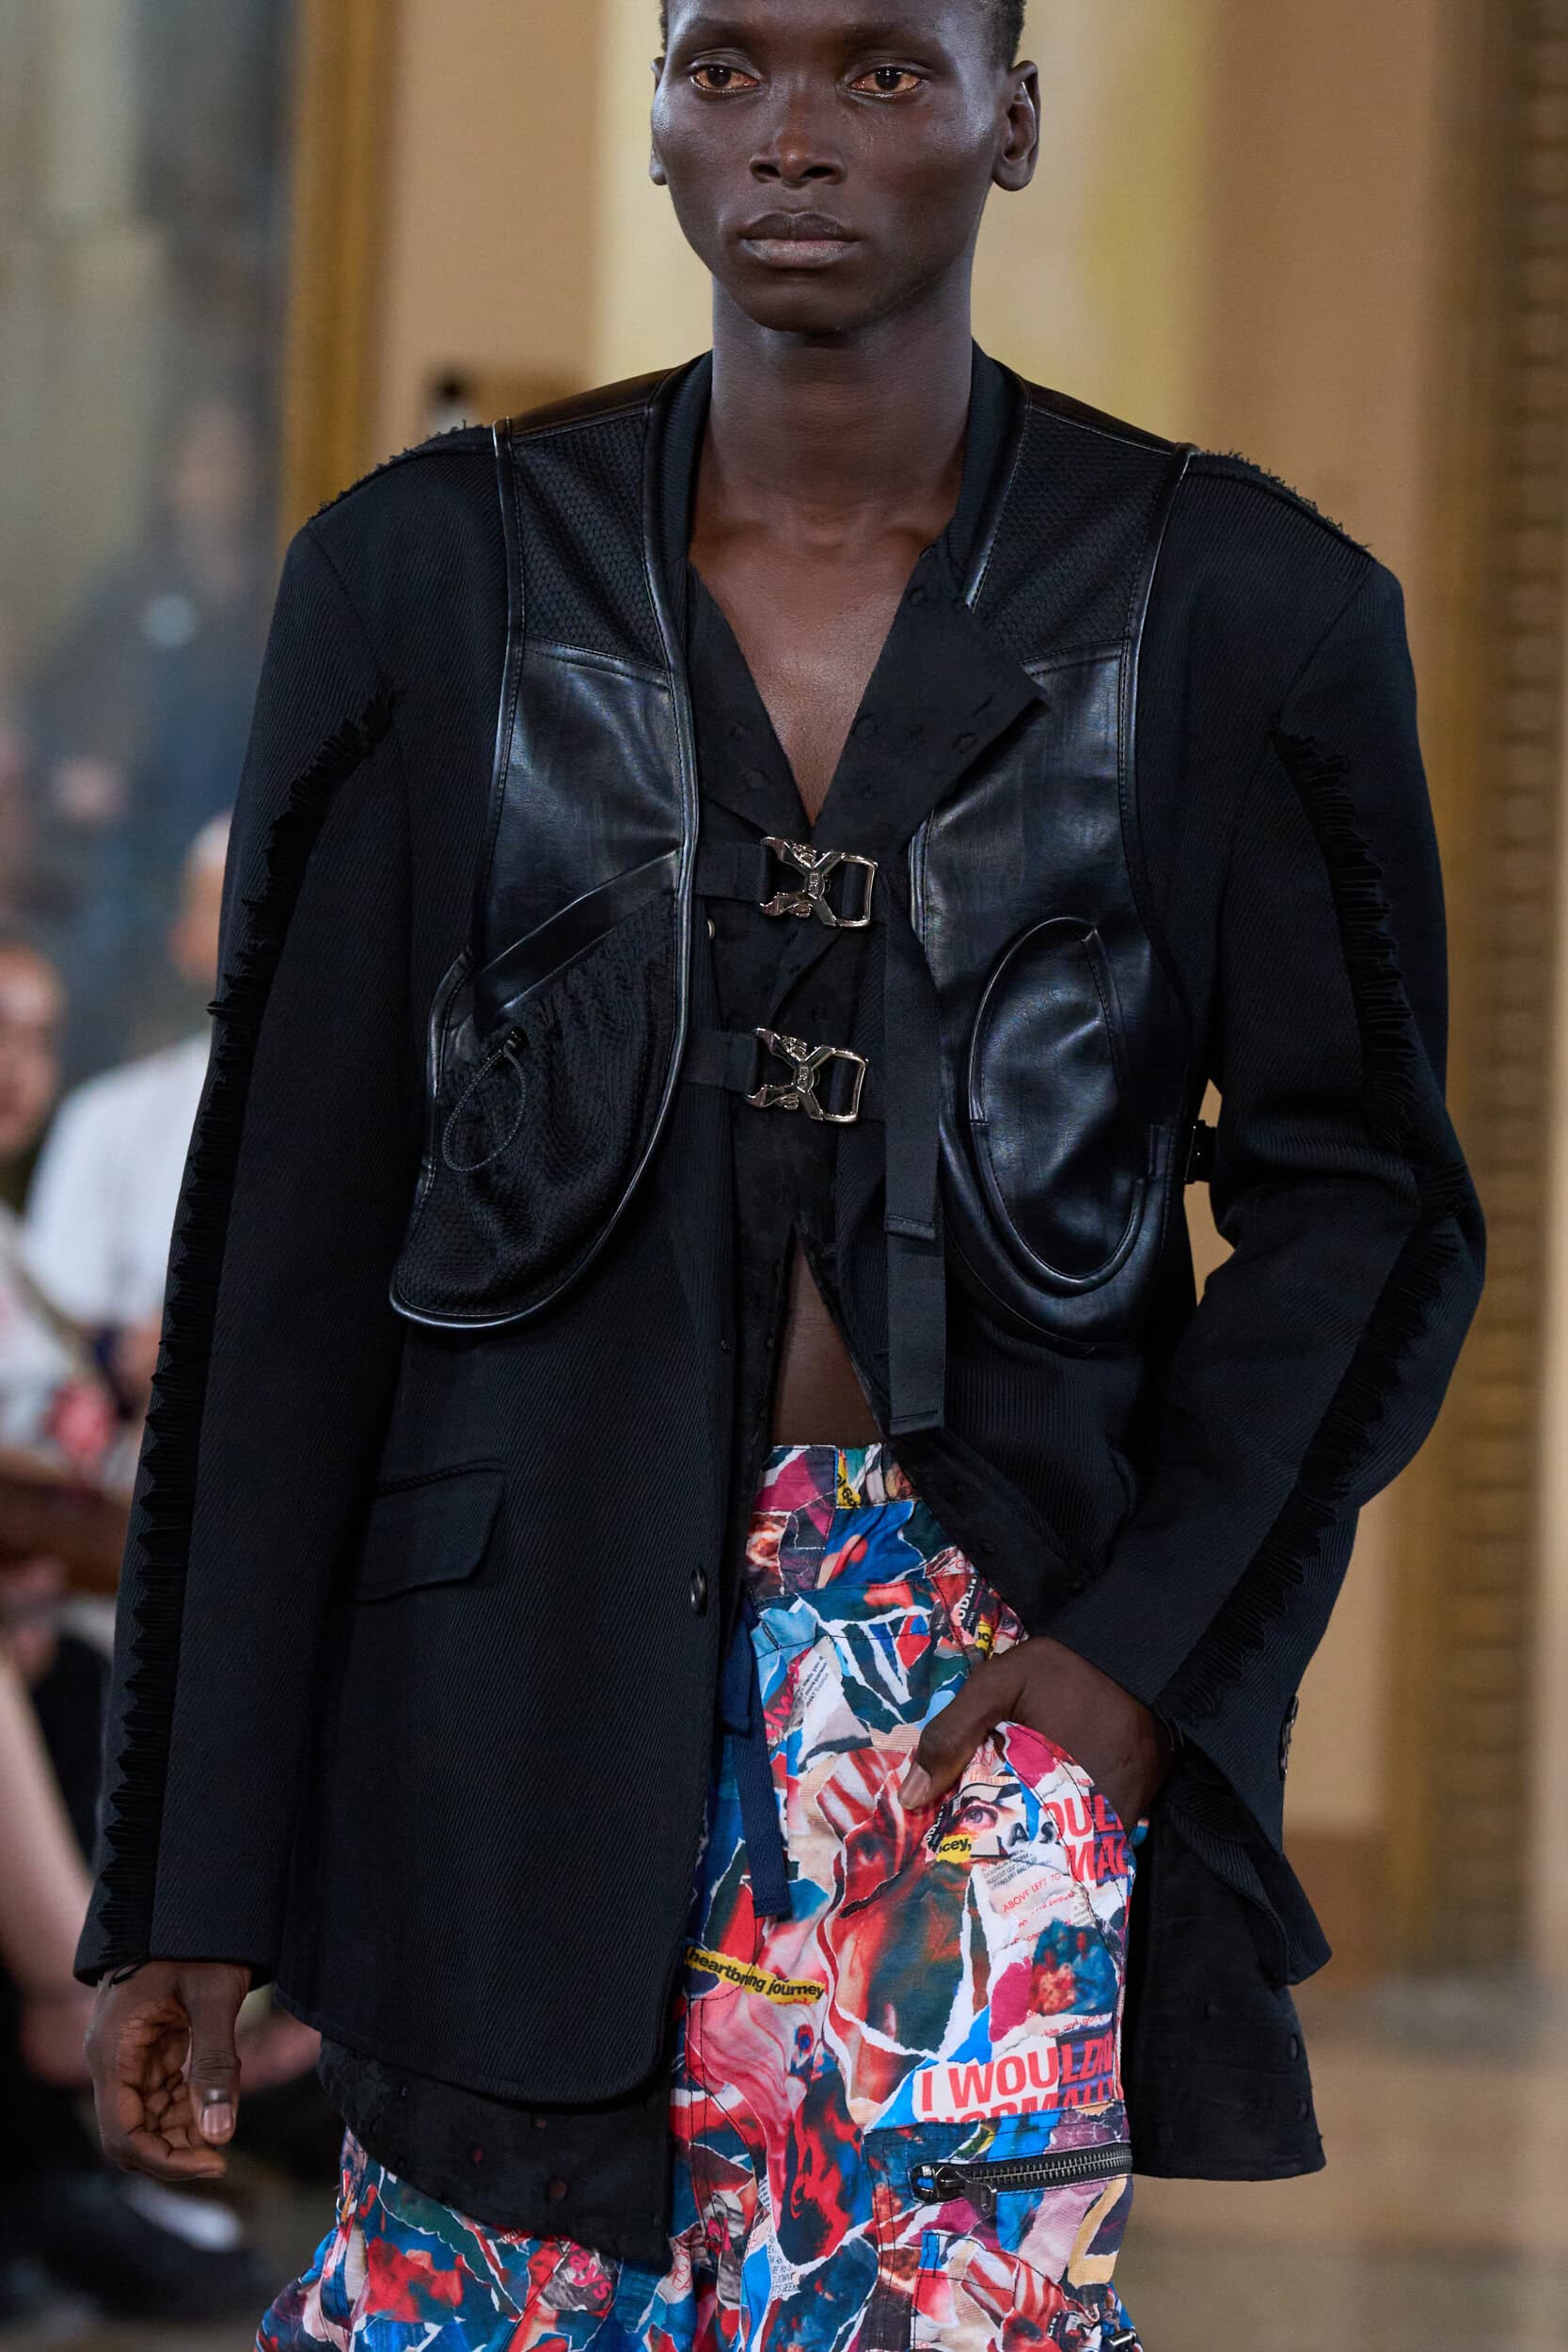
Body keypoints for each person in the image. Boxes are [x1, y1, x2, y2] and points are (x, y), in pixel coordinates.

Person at [79, 4, 1485, 2346]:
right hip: (499, 1676)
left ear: (1010, 117)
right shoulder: (431, 580)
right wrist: (187, 1869)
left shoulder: (1234, 608)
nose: (792, 137)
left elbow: (1372, 1206)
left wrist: (1131, 1672)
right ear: (652, 113)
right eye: (722, 67)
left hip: (977, 1704)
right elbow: (285, 1251)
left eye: (879, 71)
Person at [24, 814, 227, 1412]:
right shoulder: (106, 1120)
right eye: (228, 909)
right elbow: (52, 1344)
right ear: (184, 940)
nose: (258, 933)